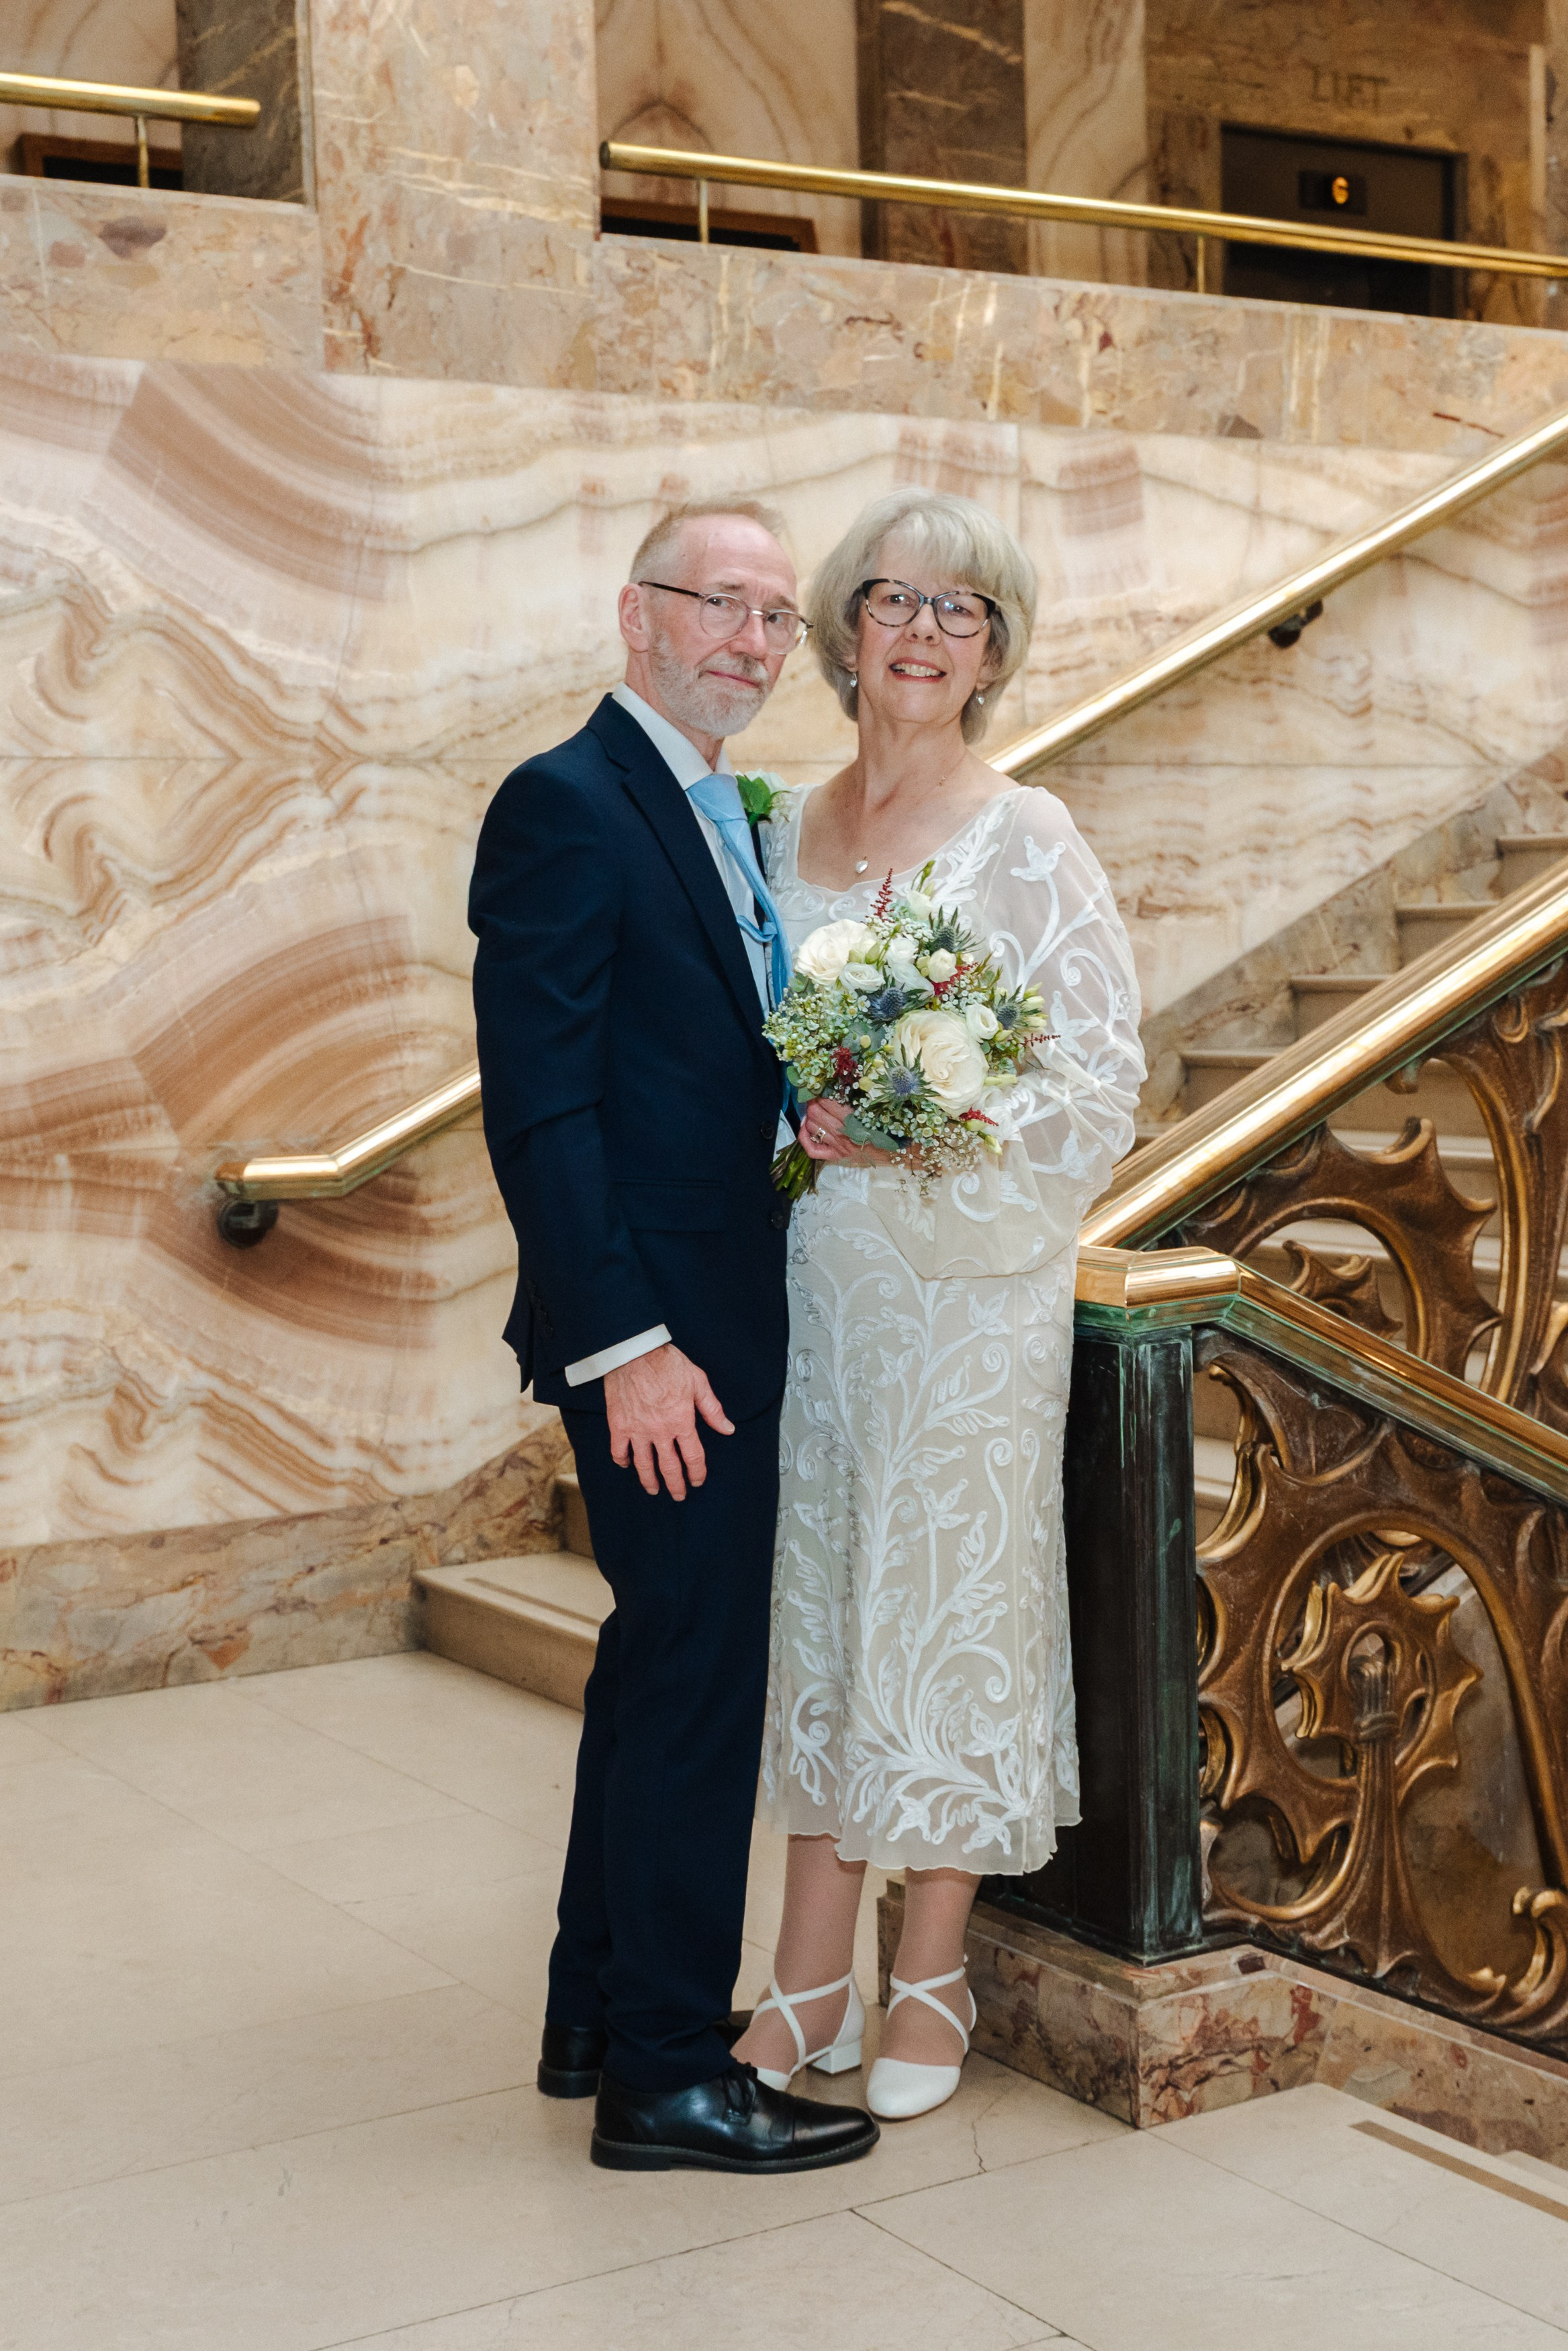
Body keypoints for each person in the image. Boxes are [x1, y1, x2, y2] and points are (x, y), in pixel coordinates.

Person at [469, 498, 878, 2174]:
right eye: (723, 606)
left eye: (780, 619)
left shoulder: (715, 804)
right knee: (702, 1681)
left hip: (718, 1301)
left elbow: (683, 1056)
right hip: (660, 1336)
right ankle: (668, 2077)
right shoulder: (567, 803)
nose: (755, 643)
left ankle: (593, 2008)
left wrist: (817, 1105)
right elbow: (542, 1109)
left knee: (655, 1667)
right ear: (633, 614)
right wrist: (624, 1340)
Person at [731, 488, 1146, 2121]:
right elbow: (733, 1050)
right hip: (816, 1284)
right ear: (843, 633)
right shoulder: (777, 830)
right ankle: (807, 1970)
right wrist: (806, 1129)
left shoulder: (1024, 833)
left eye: (958, 612)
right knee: (823, 1602)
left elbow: (1098, 1072)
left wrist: (924, 1127)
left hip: (967, 1293)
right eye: (894, 601)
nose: (921, 631)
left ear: (992, 656)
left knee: (946, 1603)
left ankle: (934, 1971)